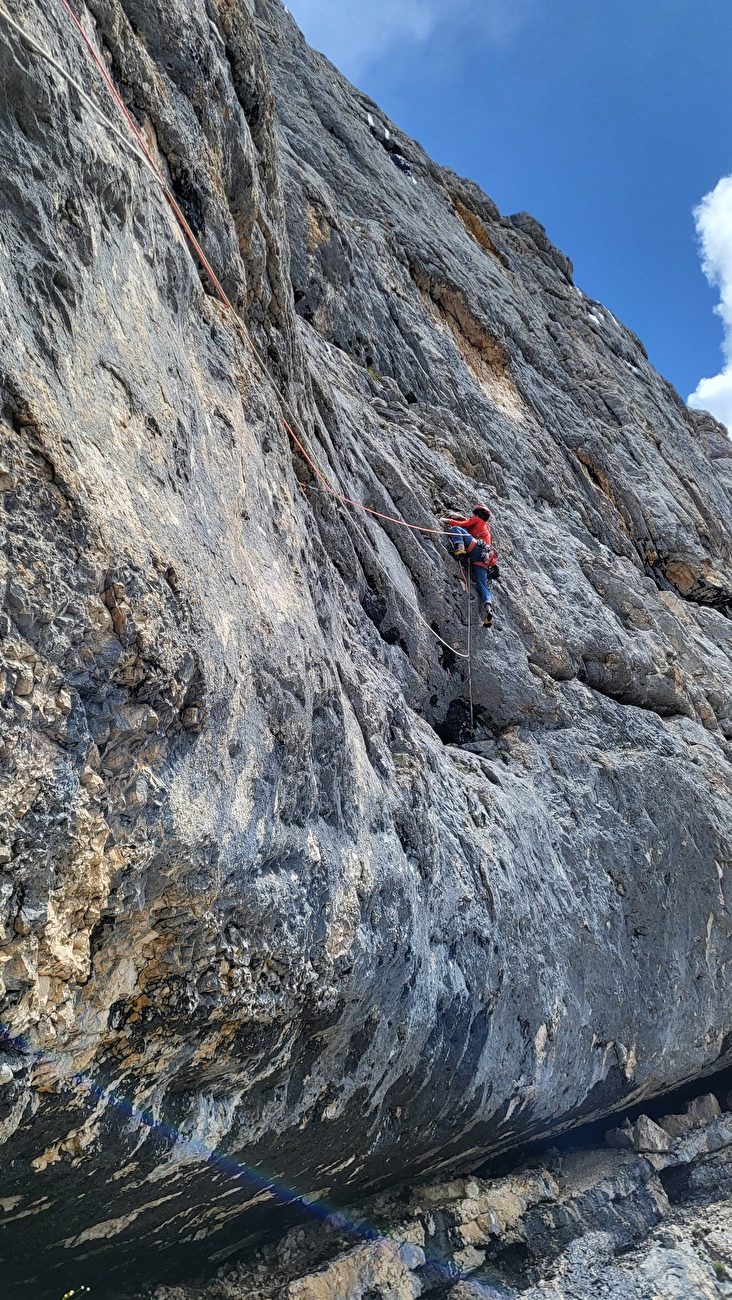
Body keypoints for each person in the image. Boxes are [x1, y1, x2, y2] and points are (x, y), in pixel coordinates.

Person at [443, 505, 499, 627]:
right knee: (482, 584)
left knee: (456, 529)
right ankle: (488, 608)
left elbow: (463, 525)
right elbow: (469, 530)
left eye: (474, 514)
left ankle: (460, 549)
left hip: (475, 548)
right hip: (483, 559)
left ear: (477, 514)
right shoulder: (486, 528)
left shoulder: (477, 520)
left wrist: (447, 521)